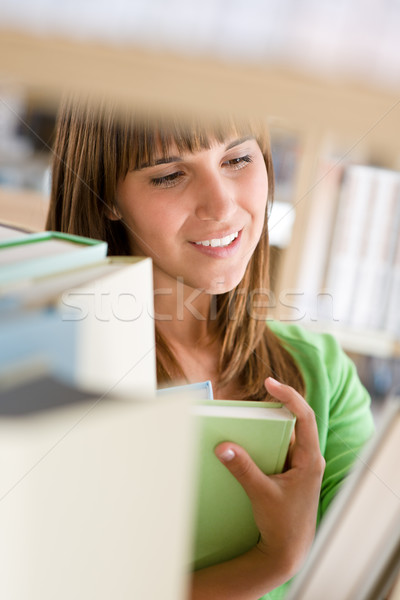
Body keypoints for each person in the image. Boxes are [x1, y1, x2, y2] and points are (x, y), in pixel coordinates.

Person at [46, 97, 375, 600]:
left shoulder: (323, 371)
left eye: (237, 160)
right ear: (107, 198)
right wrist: (273, 562)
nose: (221, 206)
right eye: (168, 175)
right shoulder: (46, 370)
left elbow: (361, 577)